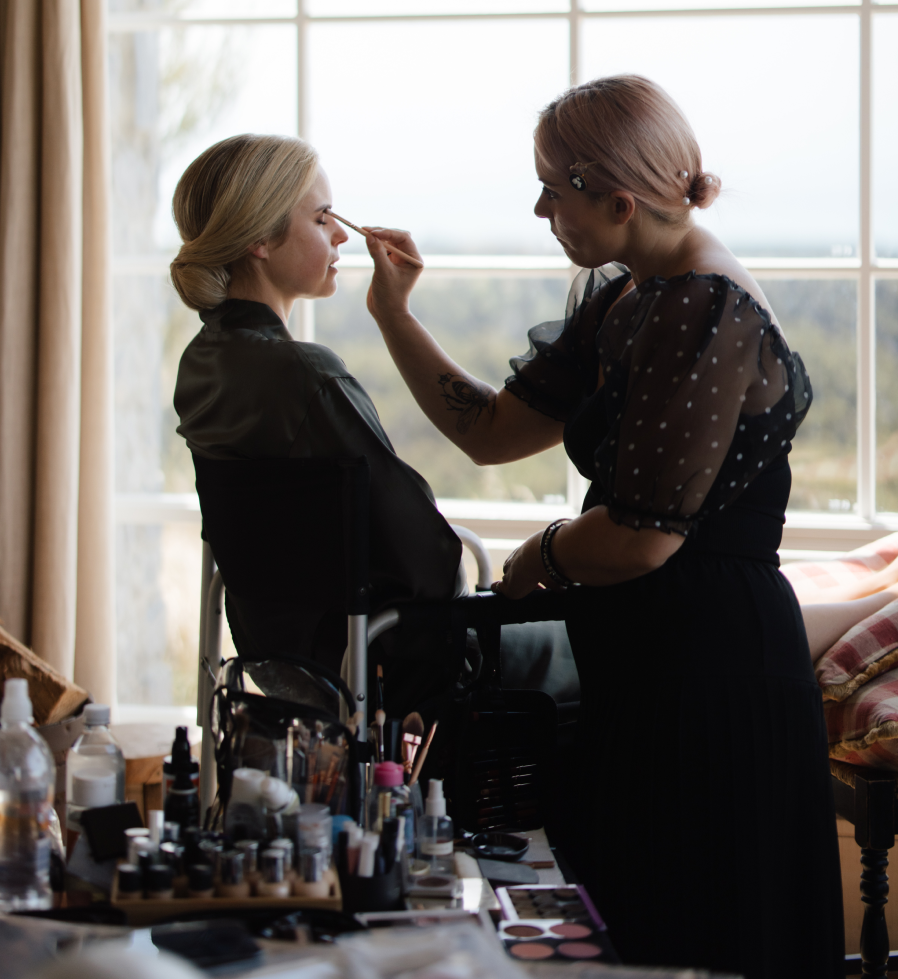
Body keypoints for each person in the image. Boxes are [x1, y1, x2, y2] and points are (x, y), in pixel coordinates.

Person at [361, 75, 844, 979]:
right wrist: (394, 313)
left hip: (709, 673)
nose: (540, 209)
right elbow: (491, 432)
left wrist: (538, 555)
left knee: (693, 933)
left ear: (620, 201)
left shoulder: (703, 305)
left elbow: (642, 536)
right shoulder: (632, 292)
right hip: (647, 659)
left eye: (554, 189)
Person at [169, 133, 463, 683]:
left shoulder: (203, 365)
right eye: (324, 217)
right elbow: (428, 555)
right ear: (260, 238)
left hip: (282, 668)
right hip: (375, 669)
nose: (341, 235)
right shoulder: (304, 374)